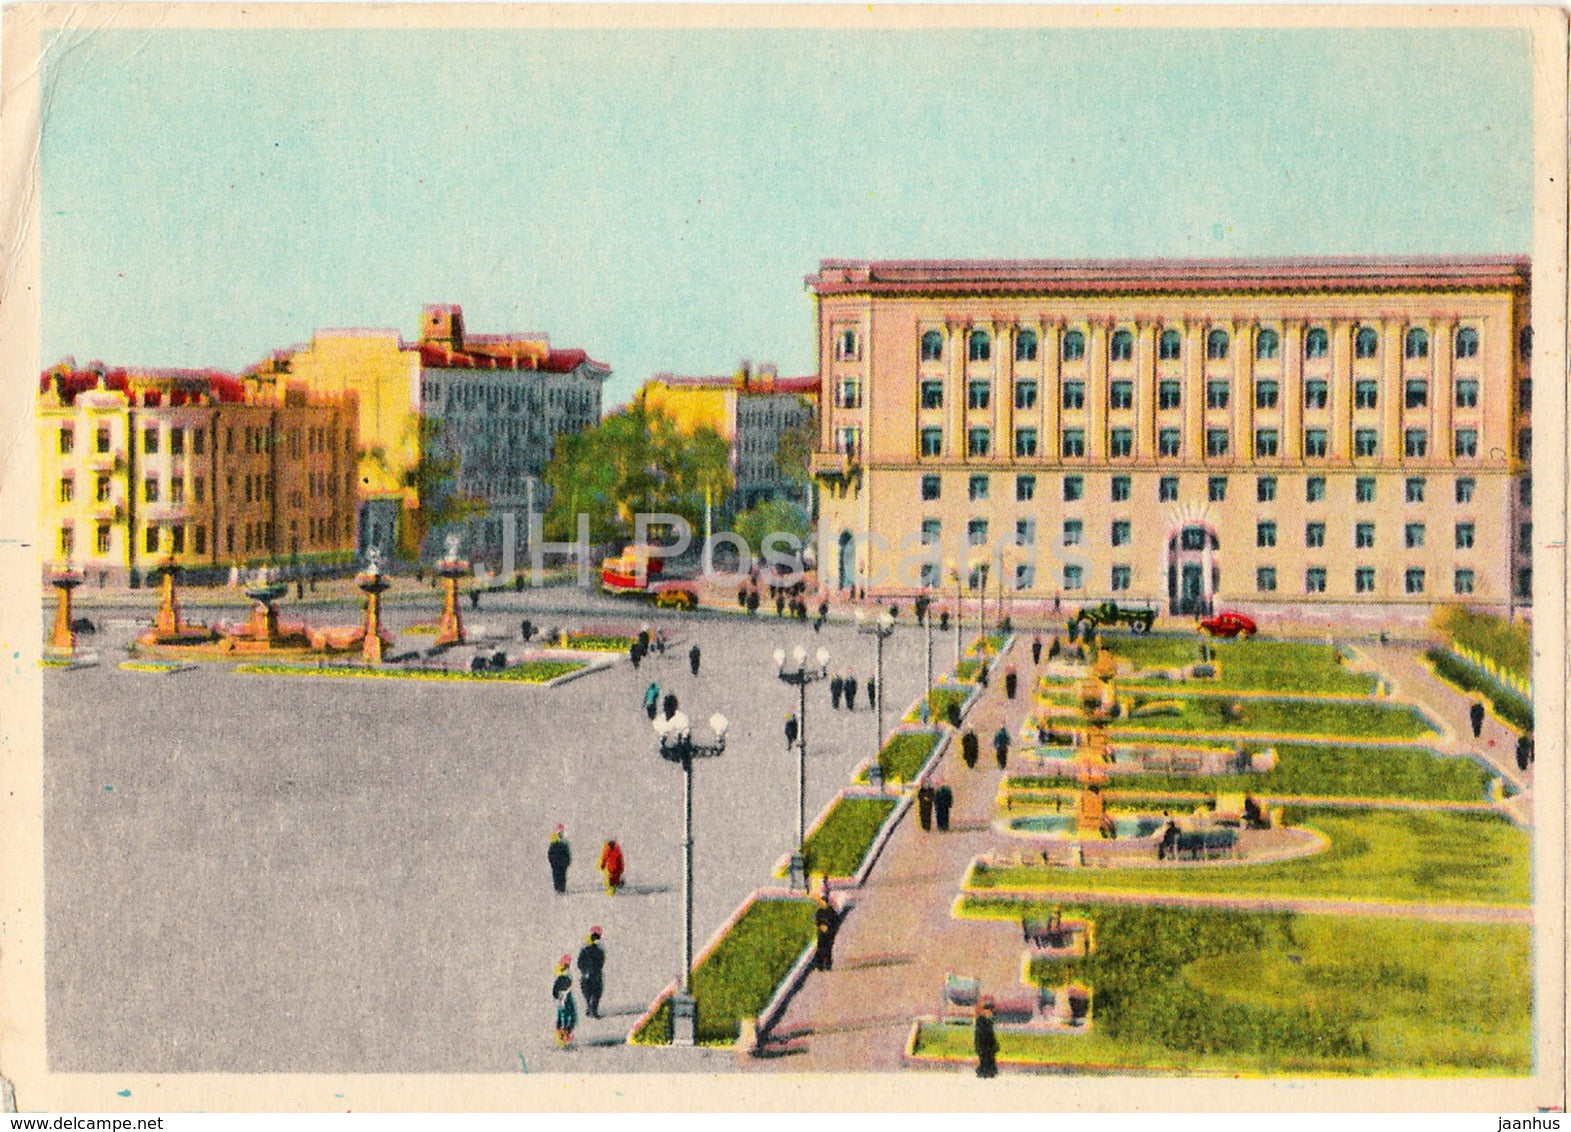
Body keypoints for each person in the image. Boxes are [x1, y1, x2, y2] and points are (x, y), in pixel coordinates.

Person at [576, 929, 606, 1019]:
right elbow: (601, 962)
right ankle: (593, 1009)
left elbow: (579, 963)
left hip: (585, 974)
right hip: (596, 974)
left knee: (587, 992)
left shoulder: (584, 949)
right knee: (596, 992)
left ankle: (589, 1007)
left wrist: (584, 970)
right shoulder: (599, 950)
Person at [552, 958, 578, 1047]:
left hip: (563, 997)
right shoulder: (564, 977)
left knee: (563, 1016)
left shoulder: (562, 976)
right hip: (564, 997)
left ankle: (563, 1036)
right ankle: (563, 1037)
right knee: (567, 1016)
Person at [813, 893, 839, 971]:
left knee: (828, 949)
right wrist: (821, 927)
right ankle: (820, 965)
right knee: (820, 949)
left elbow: (836, 921)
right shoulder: (819, 911)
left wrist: (830, 928)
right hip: (821, 933)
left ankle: (828, 965)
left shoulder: (831, 911)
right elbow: (817, 922)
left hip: (829, 933)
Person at [973, 999, 999, 1078]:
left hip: (989, 1047)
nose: (990, 1013)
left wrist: (995, 1045)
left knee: (989, 1062)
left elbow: (991, 1035)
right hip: (984, 1047)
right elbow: (980, 1035)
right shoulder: (981, 1021)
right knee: (984, 1061)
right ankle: (984, 1073)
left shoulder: (989, 1021)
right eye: (989, 1010)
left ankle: (988, 1073)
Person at [548, 826, 571, 894]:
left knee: (560, 876)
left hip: (560, 863)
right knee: (559, 876)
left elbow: (567, 853)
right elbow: (550, 854)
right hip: (558, 863)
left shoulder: (563, 843)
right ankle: (559, 888)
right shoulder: (559, 843)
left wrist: (567, 861)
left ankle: (561, 888)